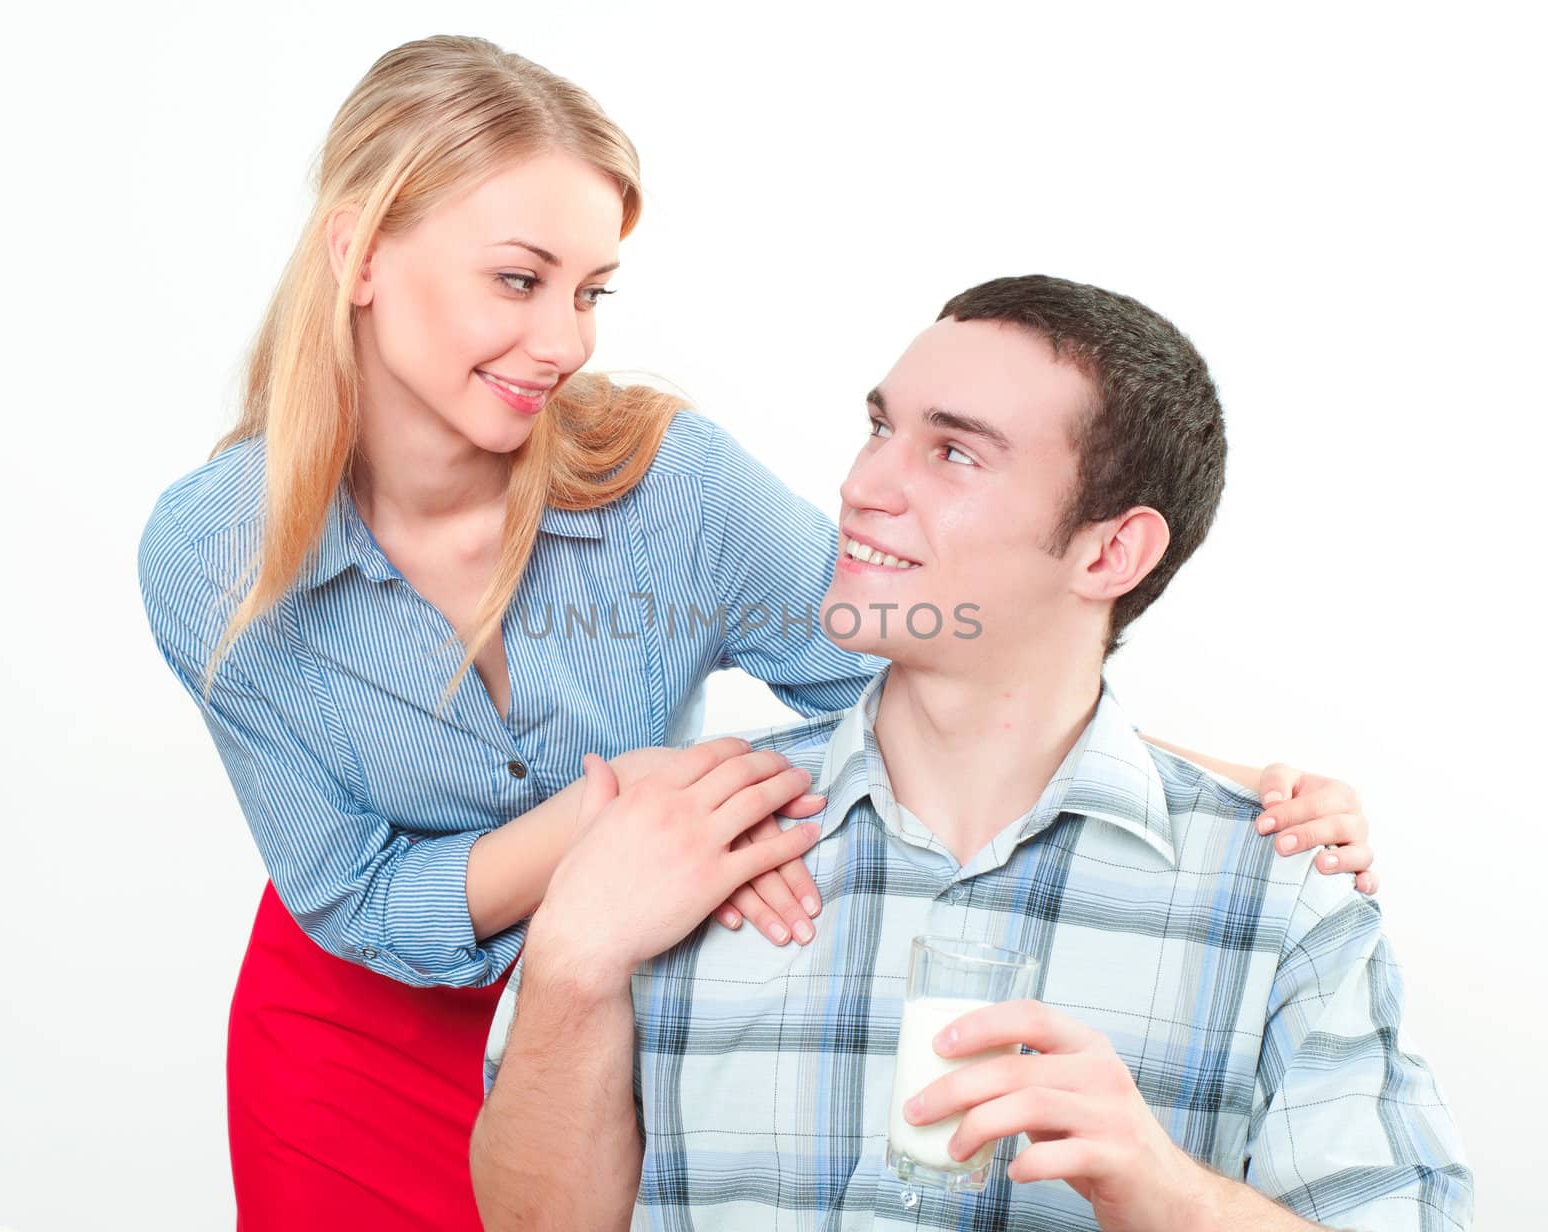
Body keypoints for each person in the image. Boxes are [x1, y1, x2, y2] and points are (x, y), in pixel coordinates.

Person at [139, 35, 1376, 1232]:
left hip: (634, 990)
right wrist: (625, 816)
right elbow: (350, 893)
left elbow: (920, 668)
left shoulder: (663, 480)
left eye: (589, 292)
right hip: (358, 1035)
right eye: (519, 280)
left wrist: (1218, 787)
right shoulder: (211, 555)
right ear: (356, 250)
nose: (566, 342)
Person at [474, 275, 1470, 1231]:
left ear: (1109, 552)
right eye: (879, 428)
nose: (862, 485)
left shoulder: (1279, 895)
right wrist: (571, 960)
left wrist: (1164, 1188)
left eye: (953, 453)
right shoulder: (676, 834)